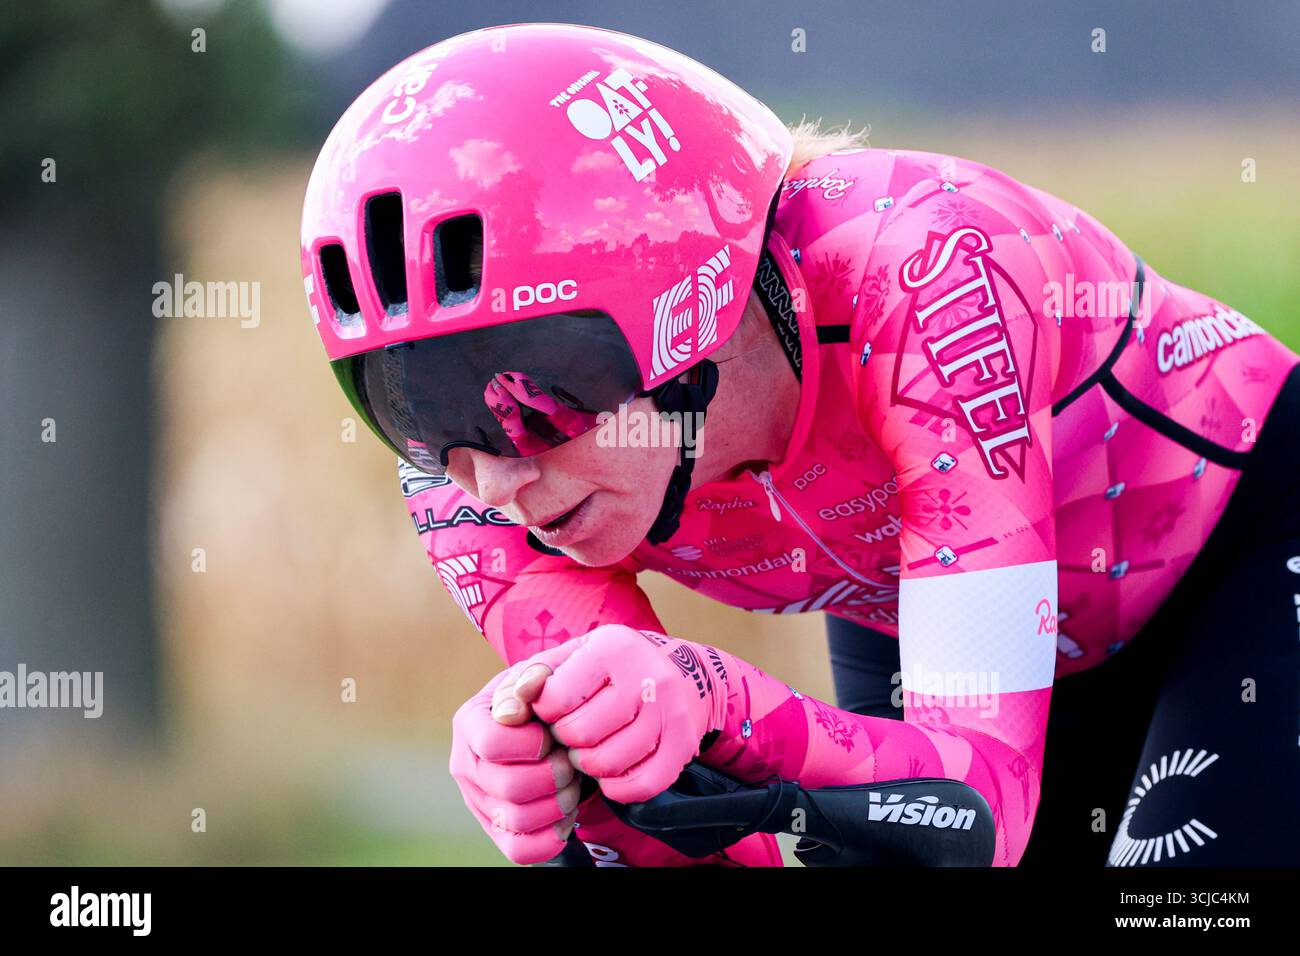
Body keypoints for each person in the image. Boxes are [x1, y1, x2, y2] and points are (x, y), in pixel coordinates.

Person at [300, 23, 1300, 867]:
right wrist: (584, 797)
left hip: (1239, 549)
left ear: (683, 302)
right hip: (921, 608)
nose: (499, 477)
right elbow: (720, 844)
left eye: (533, 399)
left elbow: (983, 801)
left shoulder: (918, 274)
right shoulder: (465, 483)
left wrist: (720, 699)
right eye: (419, 416)